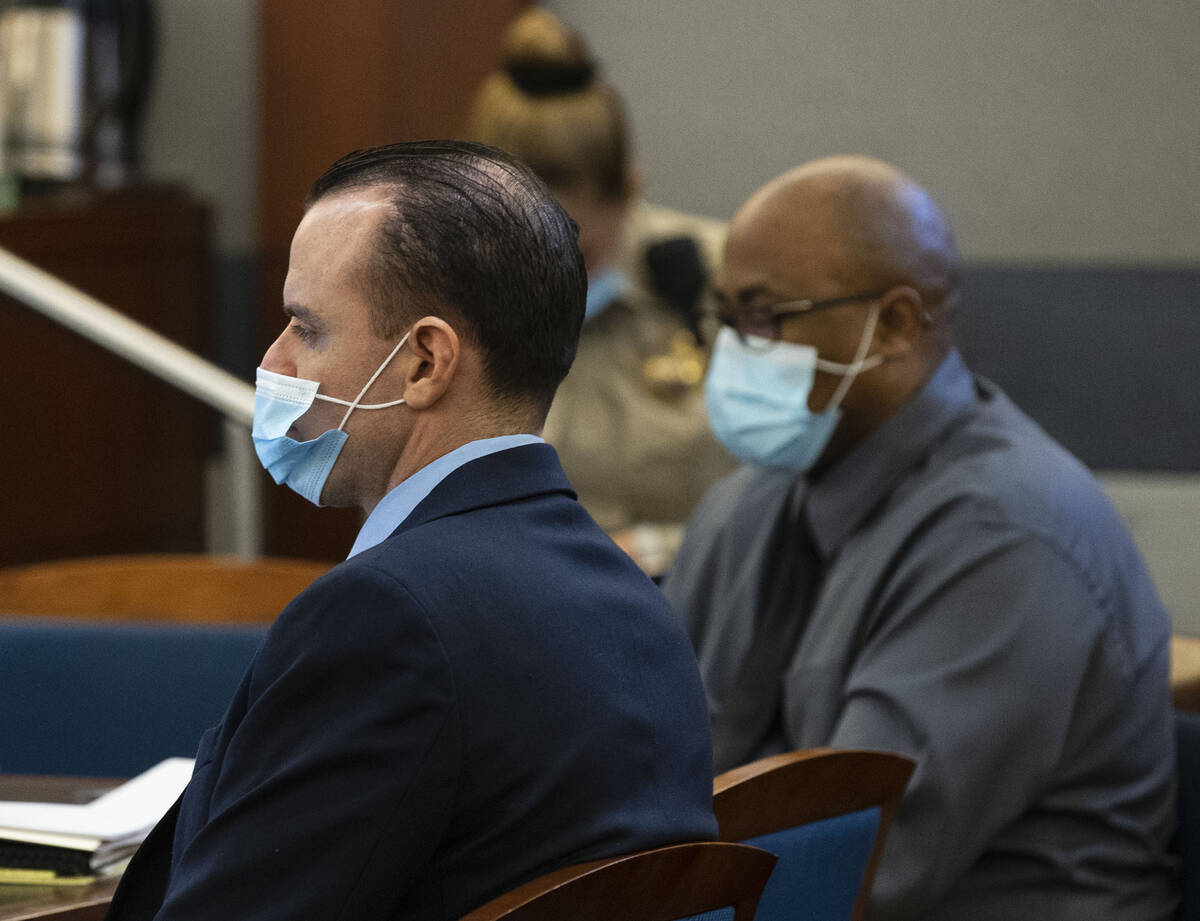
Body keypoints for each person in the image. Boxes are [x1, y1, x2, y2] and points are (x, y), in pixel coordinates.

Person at [106, 140, 718, 921]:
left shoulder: (383, 619)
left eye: (307, 327)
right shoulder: (636, 602)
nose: (273, 360)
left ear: (425, 362)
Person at [663, 154, 1177, 921]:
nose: (736, 348)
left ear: (895, 324)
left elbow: (854, 864)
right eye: (728, 317)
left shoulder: (1008, 535)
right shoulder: (748, 504)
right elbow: (656, 765)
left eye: (767, 316)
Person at [467, 8, 735, 574]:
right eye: (524, 251)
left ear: (630, 191)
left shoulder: (727, 279)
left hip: (697, 593)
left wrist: (659, 549)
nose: (553, 278)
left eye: (578, 252)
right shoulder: (453, 299)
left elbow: (786, 493)